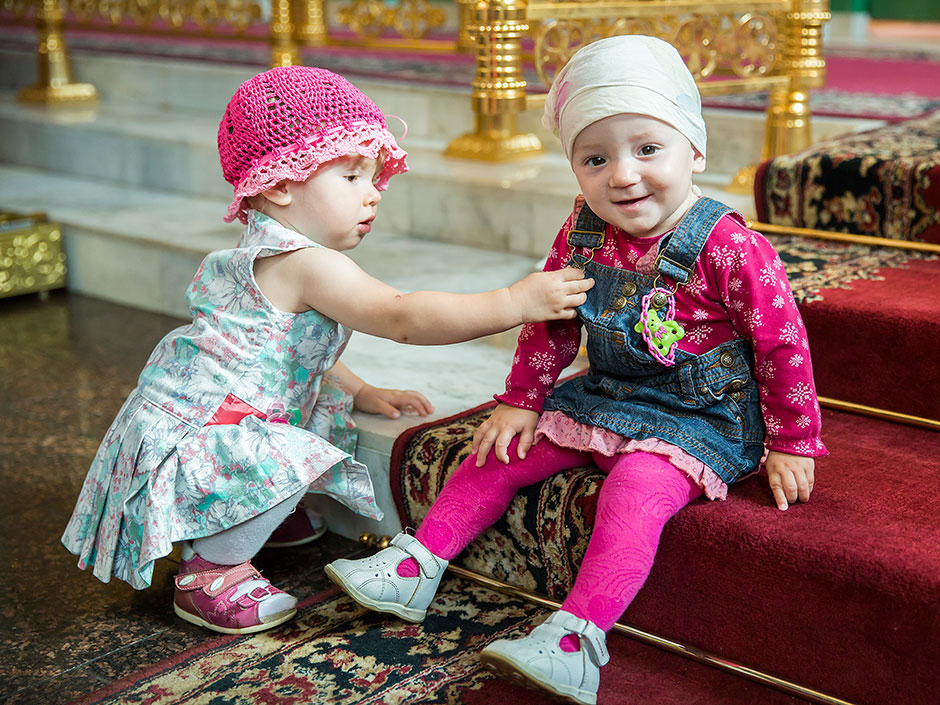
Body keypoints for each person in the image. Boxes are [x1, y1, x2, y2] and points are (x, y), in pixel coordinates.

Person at [325, 35, 827, 705]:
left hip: (702, 418)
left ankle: (576, 640)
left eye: (648, 149)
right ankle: (417, 563)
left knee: (634, 487)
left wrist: (793, 440)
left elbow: (782, 345)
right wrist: (523, 399)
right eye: (596, 158)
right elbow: (553, 320)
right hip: (609, 392)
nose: (621, 175)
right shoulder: (583, 232)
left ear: (695, 151)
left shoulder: (731, 246)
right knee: (503, 447)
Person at [61, 66, 593, 636]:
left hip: (194, 416)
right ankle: (210, 570)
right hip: (212, 431)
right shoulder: (308, 264)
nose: (373, 194)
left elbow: (287, 350)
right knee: (295, 449)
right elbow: (401, 317)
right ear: (280, 184)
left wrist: (360, 389)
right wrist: (514, 302)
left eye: (375, 177)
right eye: (351, 176)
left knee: (318, 410)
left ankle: (242, 517)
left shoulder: (265, 248)